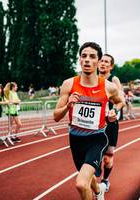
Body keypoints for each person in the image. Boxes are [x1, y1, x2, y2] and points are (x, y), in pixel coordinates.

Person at [53, 42, 125, 200]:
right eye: (83, 56)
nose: (87, 60)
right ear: (79, 60)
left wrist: (115, 111)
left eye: (92, 57)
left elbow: (121, 101)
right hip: (76, 139)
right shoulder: (69, 84)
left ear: (98, 62)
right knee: (87, 176)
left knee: (81, 183)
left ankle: (97, 192)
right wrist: (67, 105)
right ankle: (99, 192)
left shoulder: (108, 87)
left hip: (97, 138)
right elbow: (56, 116)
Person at [98, 53, 125, 192]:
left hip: (110, 124)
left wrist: (114, 110)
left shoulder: (114, 80)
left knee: (108, 157)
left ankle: (105, 179)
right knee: (95, 156)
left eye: (106, 62)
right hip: (95, 124)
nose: (103, 63)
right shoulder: (92, 79)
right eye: (101, 61)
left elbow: (122, 101)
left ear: (111, 66)